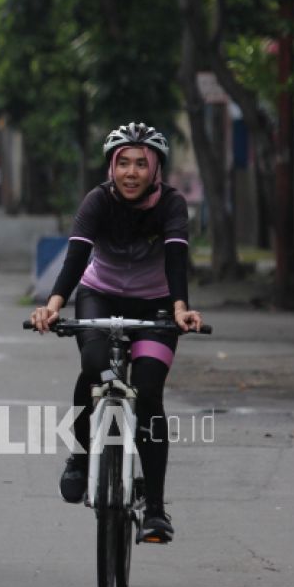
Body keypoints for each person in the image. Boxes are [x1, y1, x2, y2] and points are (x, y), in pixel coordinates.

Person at [28, 122, 203, 544]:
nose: (131, 173)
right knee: (94, 367)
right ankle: (80, 456)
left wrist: (180, 308)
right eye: (123, 163)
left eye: (141, 164)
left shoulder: (172, 204)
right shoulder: (98, 200)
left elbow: (176, 259)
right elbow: (76, 257)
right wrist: (53, 306)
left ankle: (155, 510)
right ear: (111, 166)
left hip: (156, 303)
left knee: (149, 393)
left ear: (155, 169)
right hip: (100, 296)